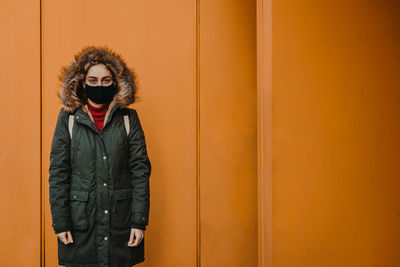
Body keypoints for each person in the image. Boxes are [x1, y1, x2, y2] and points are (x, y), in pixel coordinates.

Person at [48, 45, 152, 267]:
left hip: (120, 224)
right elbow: (58, 173)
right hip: (79, 225)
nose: (99, 85)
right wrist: (61, 223)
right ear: (82, 82)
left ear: (115, 82)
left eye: (106, 80)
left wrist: (138, 221)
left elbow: (140, 171)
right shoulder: (68, 119)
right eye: (93, 80)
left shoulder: (128, 119)